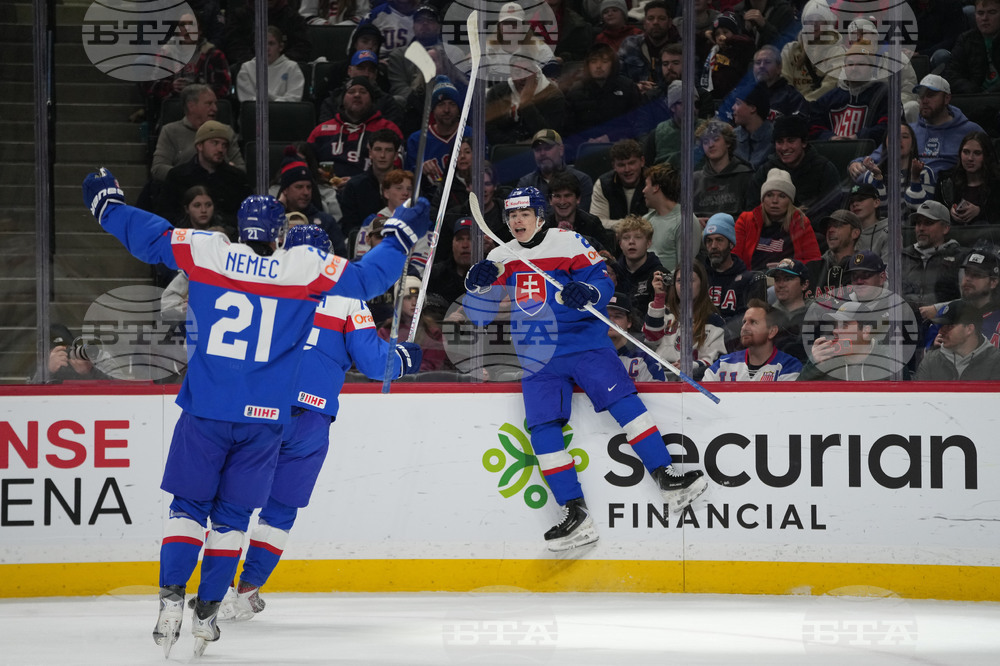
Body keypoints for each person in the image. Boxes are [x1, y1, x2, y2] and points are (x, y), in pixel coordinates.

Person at [81, 169, 430, 657]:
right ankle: (209, 610)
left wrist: (108, 208)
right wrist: (399, 237)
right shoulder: (304, 270)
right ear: (280, 237)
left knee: (187, 510)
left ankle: (169, 600)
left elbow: (152, 238)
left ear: (239, 227)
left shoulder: (209, 251)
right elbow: (370, 279)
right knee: (233, 519)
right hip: (266, 419)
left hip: (206, 408)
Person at [463, 186, 707, 551]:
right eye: (512, 215)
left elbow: (603, 280)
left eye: (524, 214)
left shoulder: (569, 242)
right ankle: (574, 513)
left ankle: (669, 477)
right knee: (542, 429)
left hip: (584, 344)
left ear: (540, 215)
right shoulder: (500, 255)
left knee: (624, 402)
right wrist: (476, 283)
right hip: (536, 355)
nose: (517, 221)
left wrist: (588, 293)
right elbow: (476, 310)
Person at [217, 223, 421, 620]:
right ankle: (247, 591)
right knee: (281, 509)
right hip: (310, 417)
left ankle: (217, 591)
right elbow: (374, 362)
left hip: (256, 411)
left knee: (234, 505)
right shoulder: (346, 296)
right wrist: (403, 359)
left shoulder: (259, 286)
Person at [849, 75, 984, 182]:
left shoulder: (969, 131)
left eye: (931, 95)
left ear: (947, 98)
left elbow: (989, 167)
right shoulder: (908, 131)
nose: (924, 100)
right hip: (907, 192)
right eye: (921, 95)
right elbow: (879, 155)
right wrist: (857, 163)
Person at [746, 113, 842, 222]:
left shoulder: (824, 169)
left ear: (804, 142)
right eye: (779, 142)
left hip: (811, 232)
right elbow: (752, 210)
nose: (784, 147)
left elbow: (832, 212)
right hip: (770, 234)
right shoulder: (765, 171)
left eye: (791, 141)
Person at [155, 121, 252, 229]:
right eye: (215, 143)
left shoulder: (237, 177)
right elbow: (166, 214)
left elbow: (247, 215)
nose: (220, 149)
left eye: (224, 145)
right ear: (200, 146)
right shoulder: (178, 176)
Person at [307, 76, 404, 179]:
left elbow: (396, 169)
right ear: (342, 99)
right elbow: (306, 163)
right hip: (327, 189)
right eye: (351, 92)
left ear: (372, 99)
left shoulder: (388, 129)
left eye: (363, 92)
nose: (357, 95)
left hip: (372, 190)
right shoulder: (321, 131)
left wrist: (357, 183)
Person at [643, 261, 728, 377]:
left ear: (702, 284)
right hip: (660, 379)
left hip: (693, 381)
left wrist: (691, 365)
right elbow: (650, 339)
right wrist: (659, 297)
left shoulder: (713, 321)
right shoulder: (664, 313)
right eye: (679, 281)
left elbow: (716, 361)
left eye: (690, 280)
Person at [150, 84, 245, 182]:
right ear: (191, 106)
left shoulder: (226, 131)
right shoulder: (170, 131)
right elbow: (158, 169)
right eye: (209, 103)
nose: (215, 108)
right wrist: (191, 176)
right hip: (183, 190)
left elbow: (241, 169)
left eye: (215, 103)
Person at [702, 213, 767, 352]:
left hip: (733, 347)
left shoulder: (749, 279)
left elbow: (750, 323)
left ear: (731, 244)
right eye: (709, 241)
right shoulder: (698, 277)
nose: (713, 246)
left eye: (719, 240)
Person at [736, 168, 821, 272]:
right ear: (763, 199)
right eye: (769, 195)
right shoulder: (746, 220)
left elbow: (814, 261)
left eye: (782, 196)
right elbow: (735, 258)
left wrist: (789, 266)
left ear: (790, 201)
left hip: (788, 280)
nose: (775, 201)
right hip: (751, 281)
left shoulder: (801, 222)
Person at [142, 11, 231, 111]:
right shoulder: (165, 53)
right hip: (174, 109)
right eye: (182, 25)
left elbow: (224, 88)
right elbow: (149, 85)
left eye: (191, 24)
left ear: (200, 30)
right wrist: (171, 86)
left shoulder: (214, 55)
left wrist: (196, 89)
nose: (187, 29)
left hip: (205, 111)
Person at [807, 42, 889, 145]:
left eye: (861, 64)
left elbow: (889, 126)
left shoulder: (884, 94)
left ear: (872, 68)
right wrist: (830, 138)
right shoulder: (828, 98)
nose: (854, 68)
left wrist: (858, 137)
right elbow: (813, 127)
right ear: (844, 67)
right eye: (850, 64)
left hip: (870, 156)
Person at [564, 43, 642, 149]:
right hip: (584, 148)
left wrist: (610, 137)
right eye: (593, 61)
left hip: (621, 146)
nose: (599, 66)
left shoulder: (628, 87)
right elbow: (568, 128)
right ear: (587, 65)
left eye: (604, 61)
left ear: (613, 64)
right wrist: (585, 141)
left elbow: (636, 122)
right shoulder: (575, 92)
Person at [797, 300, 898, 381]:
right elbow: (797, 396)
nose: (835, 330)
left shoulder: (888, 360)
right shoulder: (827, 358)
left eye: (844, 325)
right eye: (836, 325)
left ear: (866, 331)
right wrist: (814, 364)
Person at [703, 299, 802, 381]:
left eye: (753, 322)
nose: (744, 327)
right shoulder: (723, 364)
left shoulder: (788, 366)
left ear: (772, 331)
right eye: (744, 322)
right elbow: (703, 398)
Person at [850, 122, 935, 212]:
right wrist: (878, 177)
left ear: (912, 145)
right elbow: (878, 209)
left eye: (905, 137)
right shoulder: (871, 174)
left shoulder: (924, 172)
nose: (898, 140)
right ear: (885, 144)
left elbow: (923, 209)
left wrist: (915, 179)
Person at [902, 200, 964, 322]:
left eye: (928, 223)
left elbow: (969, 300)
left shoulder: (961, 258)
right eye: (918, 223)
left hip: (944, 326)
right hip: (905, 325)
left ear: (945, 228)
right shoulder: (903, 256)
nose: (921, 228)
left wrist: (938, 309)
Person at [276, 156, 348, 256]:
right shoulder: (275, 221)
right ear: (285, 190)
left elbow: (340, 257)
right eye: (299, 187)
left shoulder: (326, 222)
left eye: (309, 187)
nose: (306, 192)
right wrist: (278, 208)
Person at [484, 59, 566, 146]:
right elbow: (489, 129)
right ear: (511, 74)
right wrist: (516, 144)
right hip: (506, 148)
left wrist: (526, 104)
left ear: (536, 72)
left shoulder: (553, 96)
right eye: (518, 73)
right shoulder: (498, 92)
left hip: (542, 148)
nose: (523, 77)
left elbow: (550, 135)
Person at [336, 128, 401, 238]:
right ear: (370, 153)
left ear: (395, 155)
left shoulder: (408, 185)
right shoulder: (354, 186)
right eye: (378, 149)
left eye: (388, 150)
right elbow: (350, 228)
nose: (382, 155)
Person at [935, 131, 1000, 238]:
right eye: (966, 152)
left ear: (987, 156)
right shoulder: (946, 182)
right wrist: (948, 214)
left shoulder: (996, 184)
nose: (970, 158)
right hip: (952, 241)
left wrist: (980, 211)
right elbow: (934, 217)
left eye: (977, 153)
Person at [915, 299, 1000, 380]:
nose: (941, 331)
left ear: (969, 329)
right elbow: (918, 393)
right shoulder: (931, 360)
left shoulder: (996, 361)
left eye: (949, 326)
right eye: (941, 326)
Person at [641, 163, 702, 275]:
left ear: (656, 187)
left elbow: (685, 270)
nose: (643, 191)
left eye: (646, 185)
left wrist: (660, 282)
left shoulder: (686, 221)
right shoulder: (645, 221)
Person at [404, 77, 463, 191]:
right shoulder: (416, 140)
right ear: (433, 110)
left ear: (459, 108)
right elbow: (407, 179)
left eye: (452, 104)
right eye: (441, 104)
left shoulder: (472, 135)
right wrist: (420, 170)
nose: (447, 109)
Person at [516, 129, 595, 210]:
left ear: (561, 150)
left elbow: (583, 217)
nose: (542, 153)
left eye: (547, 148)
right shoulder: (526, 184)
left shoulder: (581, 180)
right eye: (538, 150)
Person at [694, 119, 755, 220]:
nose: (711, 145)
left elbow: (752, 217)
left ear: (728, 143)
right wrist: (694, 222)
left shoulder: (746, 176)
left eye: (716, 139)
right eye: (705, 141)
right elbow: (681, 217)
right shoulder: (694, 180)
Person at [617, 1, 679, 94]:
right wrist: (635, 87)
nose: (656, 22)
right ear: (644, 23)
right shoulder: (630, 44)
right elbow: (617, 76)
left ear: (670, 23)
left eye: (661, 18)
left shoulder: (682, 47)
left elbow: (692, 81)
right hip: (634, 98)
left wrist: (656, 91)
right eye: (650, 18)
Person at [224, 0, 311, 65]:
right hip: (249, 69)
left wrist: (280, 62)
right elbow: (234, 46)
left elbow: (302, 47)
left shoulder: (293, 18)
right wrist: (253, 63)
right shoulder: (239, 17)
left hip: (285, 70)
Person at [590, 139, 649, 233]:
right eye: (621, 165)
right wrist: (629, 225)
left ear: (642, 161)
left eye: (631, 163)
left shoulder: (653, 182)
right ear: (614, 166)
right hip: (614, 242)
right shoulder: (603, 184)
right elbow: (597, 222)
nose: (627, 169)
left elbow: (657, 221)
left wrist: (621, 225)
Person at [607, 291, 666, 382]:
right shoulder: (588, 357)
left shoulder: (645, 358)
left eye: (617, 316)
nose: (610, 321)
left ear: (629, 322)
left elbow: (661, 394)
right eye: (605, 316)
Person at [943, 0, 1000, 95]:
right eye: (980, 13)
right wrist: (974, 91)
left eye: (992, 12)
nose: (985, 18)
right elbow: (951, 74)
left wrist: (989, 94)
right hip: (974, 97)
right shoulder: (966, 39)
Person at [544, 173, 613, 251]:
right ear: (550, 200)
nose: (562, 202)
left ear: (578, 199)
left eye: (567, 196)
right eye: (557, 196)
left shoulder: (592, 224)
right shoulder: (543, 226)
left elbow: (605, 256)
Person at [235, 25, 305, 102]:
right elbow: (247, 101)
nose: (266, 48)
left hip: (284, 113)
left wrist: (271, 102)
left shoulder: (292, 67)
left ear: (281, 47)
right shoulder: (247, 68)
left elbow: (294, 98)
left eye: (271, 44)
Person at [354, 168, 412, 259]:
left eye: (409, 189)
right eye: (399, 188)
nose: (405, 193)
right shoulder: (372, 221)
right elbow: (361, 259)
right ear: (386, 193)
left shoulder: (422, 224)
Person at [614, 214, 664, 316]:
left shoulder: (659, 275)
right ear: (620, 244)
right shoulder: (613, 273)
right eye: (626, 238)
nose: (631, 242)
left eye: (638, 237)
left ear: (648, 243)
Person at [808, 209, 863, 300]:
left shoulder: (865, 268)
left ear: (855, 233)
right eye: (829, 226)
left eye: (838, 226)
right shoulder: (814, 267)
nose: (830, 230)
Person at [767, 257, 811, 362]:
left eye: (787, 279)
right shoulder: (766, 315)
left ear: (804, 285)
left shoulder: (817, 316)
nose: (781, 285)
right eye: (777, 279)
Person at [752, 45, 806, 120]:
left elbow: (798, 128)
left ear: (779, 68)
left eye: (767, 62)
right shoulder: (744, 95)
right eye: (758, 62)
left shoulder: (793, 98)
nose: (761, 66)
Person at [731, 82, 774, 170]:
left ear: (753, 108)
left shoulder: (775, 138)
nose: (733, 107)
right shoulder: (732, 137)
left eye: (738, 103)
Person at [846, 184, 889, 261]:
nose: (855, 204)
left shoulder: (890, 232)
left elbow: (889, 270)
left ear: (876, 203)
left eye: (861, 199)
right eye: (851, 201)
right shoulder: (846, 233)